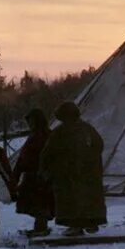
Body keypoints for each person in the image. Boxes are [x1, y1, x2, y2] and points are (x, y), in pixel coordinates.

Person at [39, 101, 107, 236]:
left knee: (72, 199)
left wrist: (46, 168)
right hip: (84, 173)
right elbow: (99, 145)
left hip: (69, 174)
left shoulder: (62, 132)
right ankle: (90, 222)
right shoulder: (87, 129)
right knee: (86, 198)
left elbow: (48, 152)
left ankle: (77, 225)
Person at [13, 108, 55, 237]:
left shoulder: (46, 135)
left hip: (41, 175)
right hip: (32, 174)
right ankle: (39, 227)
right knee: (35, 202)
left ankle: (41, 228)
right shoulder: (35, 135)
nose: (29, 124)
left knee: (40, 202)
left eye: (31, 121)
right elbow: (24, 157)